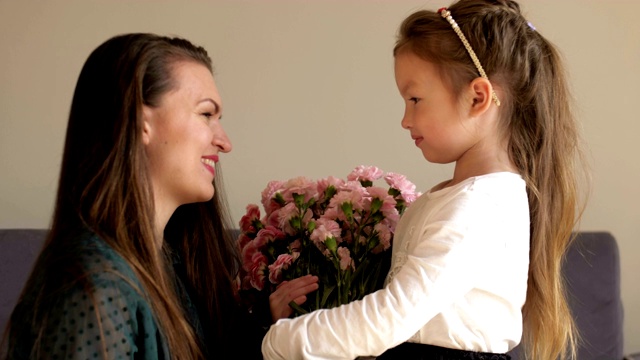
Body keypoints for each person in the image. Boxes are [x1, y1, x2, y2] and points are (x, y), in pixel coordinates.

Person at [261, 0, 586, 359]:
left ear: (477, 97)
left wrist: (281, 340)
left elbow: (390, 318)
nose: (405, 119)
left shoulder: (478, 206)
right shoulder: (455, 197)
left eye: (415, 99)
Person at [1, 33, 318, 359]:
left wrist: (266, 331)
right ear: (141, 122)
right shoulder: (93, 289)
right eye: (206, 114)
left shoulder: (171, 263)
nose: (224, 142)